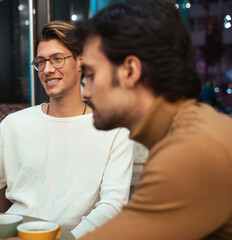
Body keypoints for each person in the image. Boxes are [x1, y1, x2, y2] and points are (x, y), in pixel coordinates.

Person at [0, 20, 134, 240]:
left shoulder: (115, 132)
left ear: (80, 62)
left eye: (57, 59)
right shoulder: (14, 124)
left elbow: (113, 205)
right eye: (41, 62)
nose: (47, 70)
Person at [70, 0, 232, 239]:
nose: (86, 92)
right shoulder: (182, 130)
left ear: (130, 71)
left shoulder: (191, 150)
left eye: (91, 75)